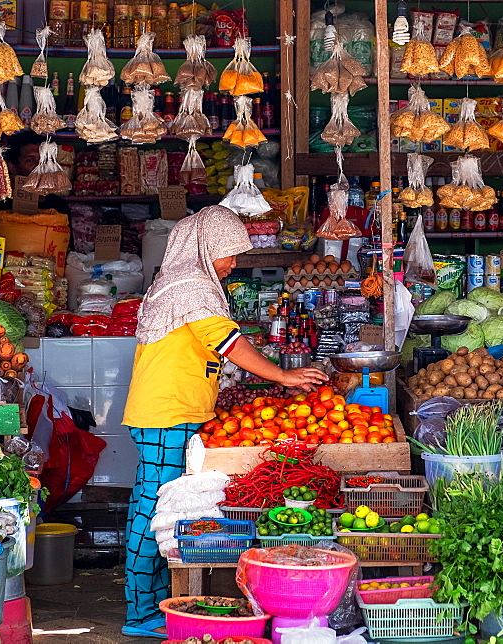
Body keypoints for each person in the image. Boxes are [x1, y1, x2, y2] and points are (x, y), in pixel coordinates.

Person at [120, 205, 328, 638]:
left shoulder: (184, 283)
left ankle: (157, 602)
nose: (234, 263)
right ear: (204, 248)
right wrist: (283, 375)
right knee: (150, 508)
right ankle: (139, 614)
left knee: (162, 508)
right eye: (228, 254)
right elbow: (229, 343)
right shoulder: (191, 287)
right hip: (165, 413)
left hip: (177, 410)